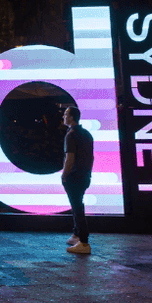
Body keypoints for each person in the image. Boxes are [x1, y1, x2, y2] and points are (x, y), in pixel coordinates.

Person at [62, 106, 94, 254]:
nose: (63, 116)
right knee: (78, 204)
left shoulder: (71, 135)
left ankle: (84, 241)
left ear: (71, 117)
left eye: (65, 114)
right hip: (85, 175)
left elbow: (70, 158)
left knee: (77, 207)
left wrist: (64, 175)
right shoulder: (87, 134)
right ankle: (76, 234)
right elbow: (91, 157)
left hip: (74, 176)